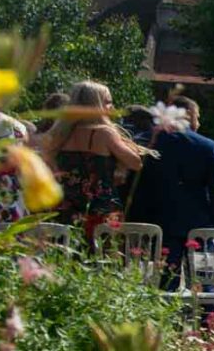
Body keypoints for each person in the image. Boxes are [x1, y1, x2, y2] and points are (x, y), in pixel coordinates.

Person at [37, 80, 144, 239]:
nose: (112, 108)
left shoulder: (58, 134)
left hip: (64, 208)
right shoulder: (104, 133)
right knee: (101, 259)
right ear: (95, 105)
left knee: (65, 258)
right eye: (108, 103)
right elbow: (136, 163)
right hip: (100, 210)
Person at [143, 95, 214, 281]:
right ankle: (206, 310)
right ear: (188, 115)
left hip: (162, 221)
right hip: (198, 223)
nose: (199, 122)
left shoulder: (153, 142)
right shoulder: (207, 146)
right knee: (203, 280)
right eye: (197, 116)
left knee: (166, 280)